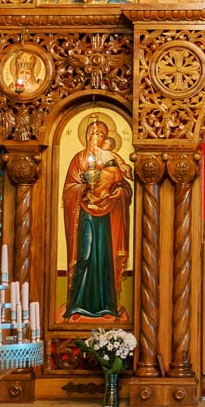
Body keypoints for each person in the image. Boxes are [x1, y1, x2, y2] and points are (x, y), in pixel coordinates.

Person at [63, 119, 132, 319]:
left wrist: (119, 192)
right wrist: (84, 188)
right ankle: (77, 304)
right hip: (85, 215)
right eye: (94, 133)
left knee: (104, 257)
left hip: (107, 217)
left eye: (102, 134)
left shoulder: (111, 158)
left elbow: (124, 187)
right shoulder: (78, 159)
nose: (98, 138)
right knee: (84, 254)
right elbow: (68, 190)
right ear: (87, 136)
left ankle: (107, 306)